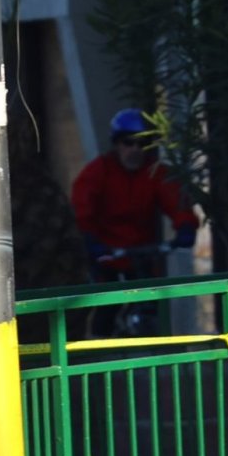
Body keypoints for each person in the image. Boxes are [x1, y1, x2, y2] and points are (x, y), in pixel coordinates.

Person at [71, 108, 199, 335]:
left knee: (154, 304)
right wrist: (90, 240)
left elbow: (175, 199)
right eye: (128, 143)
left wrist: (186, 226)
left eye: (143, 143)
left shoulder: (156, 171)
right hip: (107, 253)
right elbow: (82, 207)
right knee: (107, 306)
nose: (135, 150)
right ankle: (100, 355)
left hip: (142, 252)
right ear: (117, 144)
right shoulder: (98, 171)